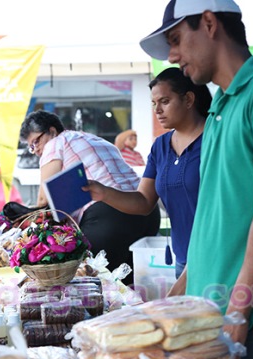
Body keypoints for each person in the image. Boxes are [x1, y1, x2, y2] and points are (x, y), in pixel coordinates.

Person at [140, 0, 253, 359]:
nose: (172, 55)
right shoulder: (219, 106)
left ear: (209, 23)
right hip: (216, 320)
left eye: (176, 39)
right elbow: (214, 221)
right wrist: (172, 300)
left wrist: (238, 315)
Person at [85, 67, 211, 280]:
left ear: (189, 99)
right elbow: (143, 202)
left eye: (165, 101)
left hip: (218, 256)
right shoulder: (161, 146)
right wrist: (102, 192)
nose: (157, 110)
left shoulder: (215, 139)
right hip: (183, 259)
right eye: (154, 104)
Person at [20, 110, 161, 276]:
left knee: (97, 287)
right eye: (31, 146)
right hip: (147, 212)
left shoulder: (55, 143)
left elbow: (44, 200)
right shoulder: (97, 140)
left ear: (52, 131)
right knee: (132, 284)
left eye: (36, 142)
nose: (35, 150)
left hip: (108, 218)